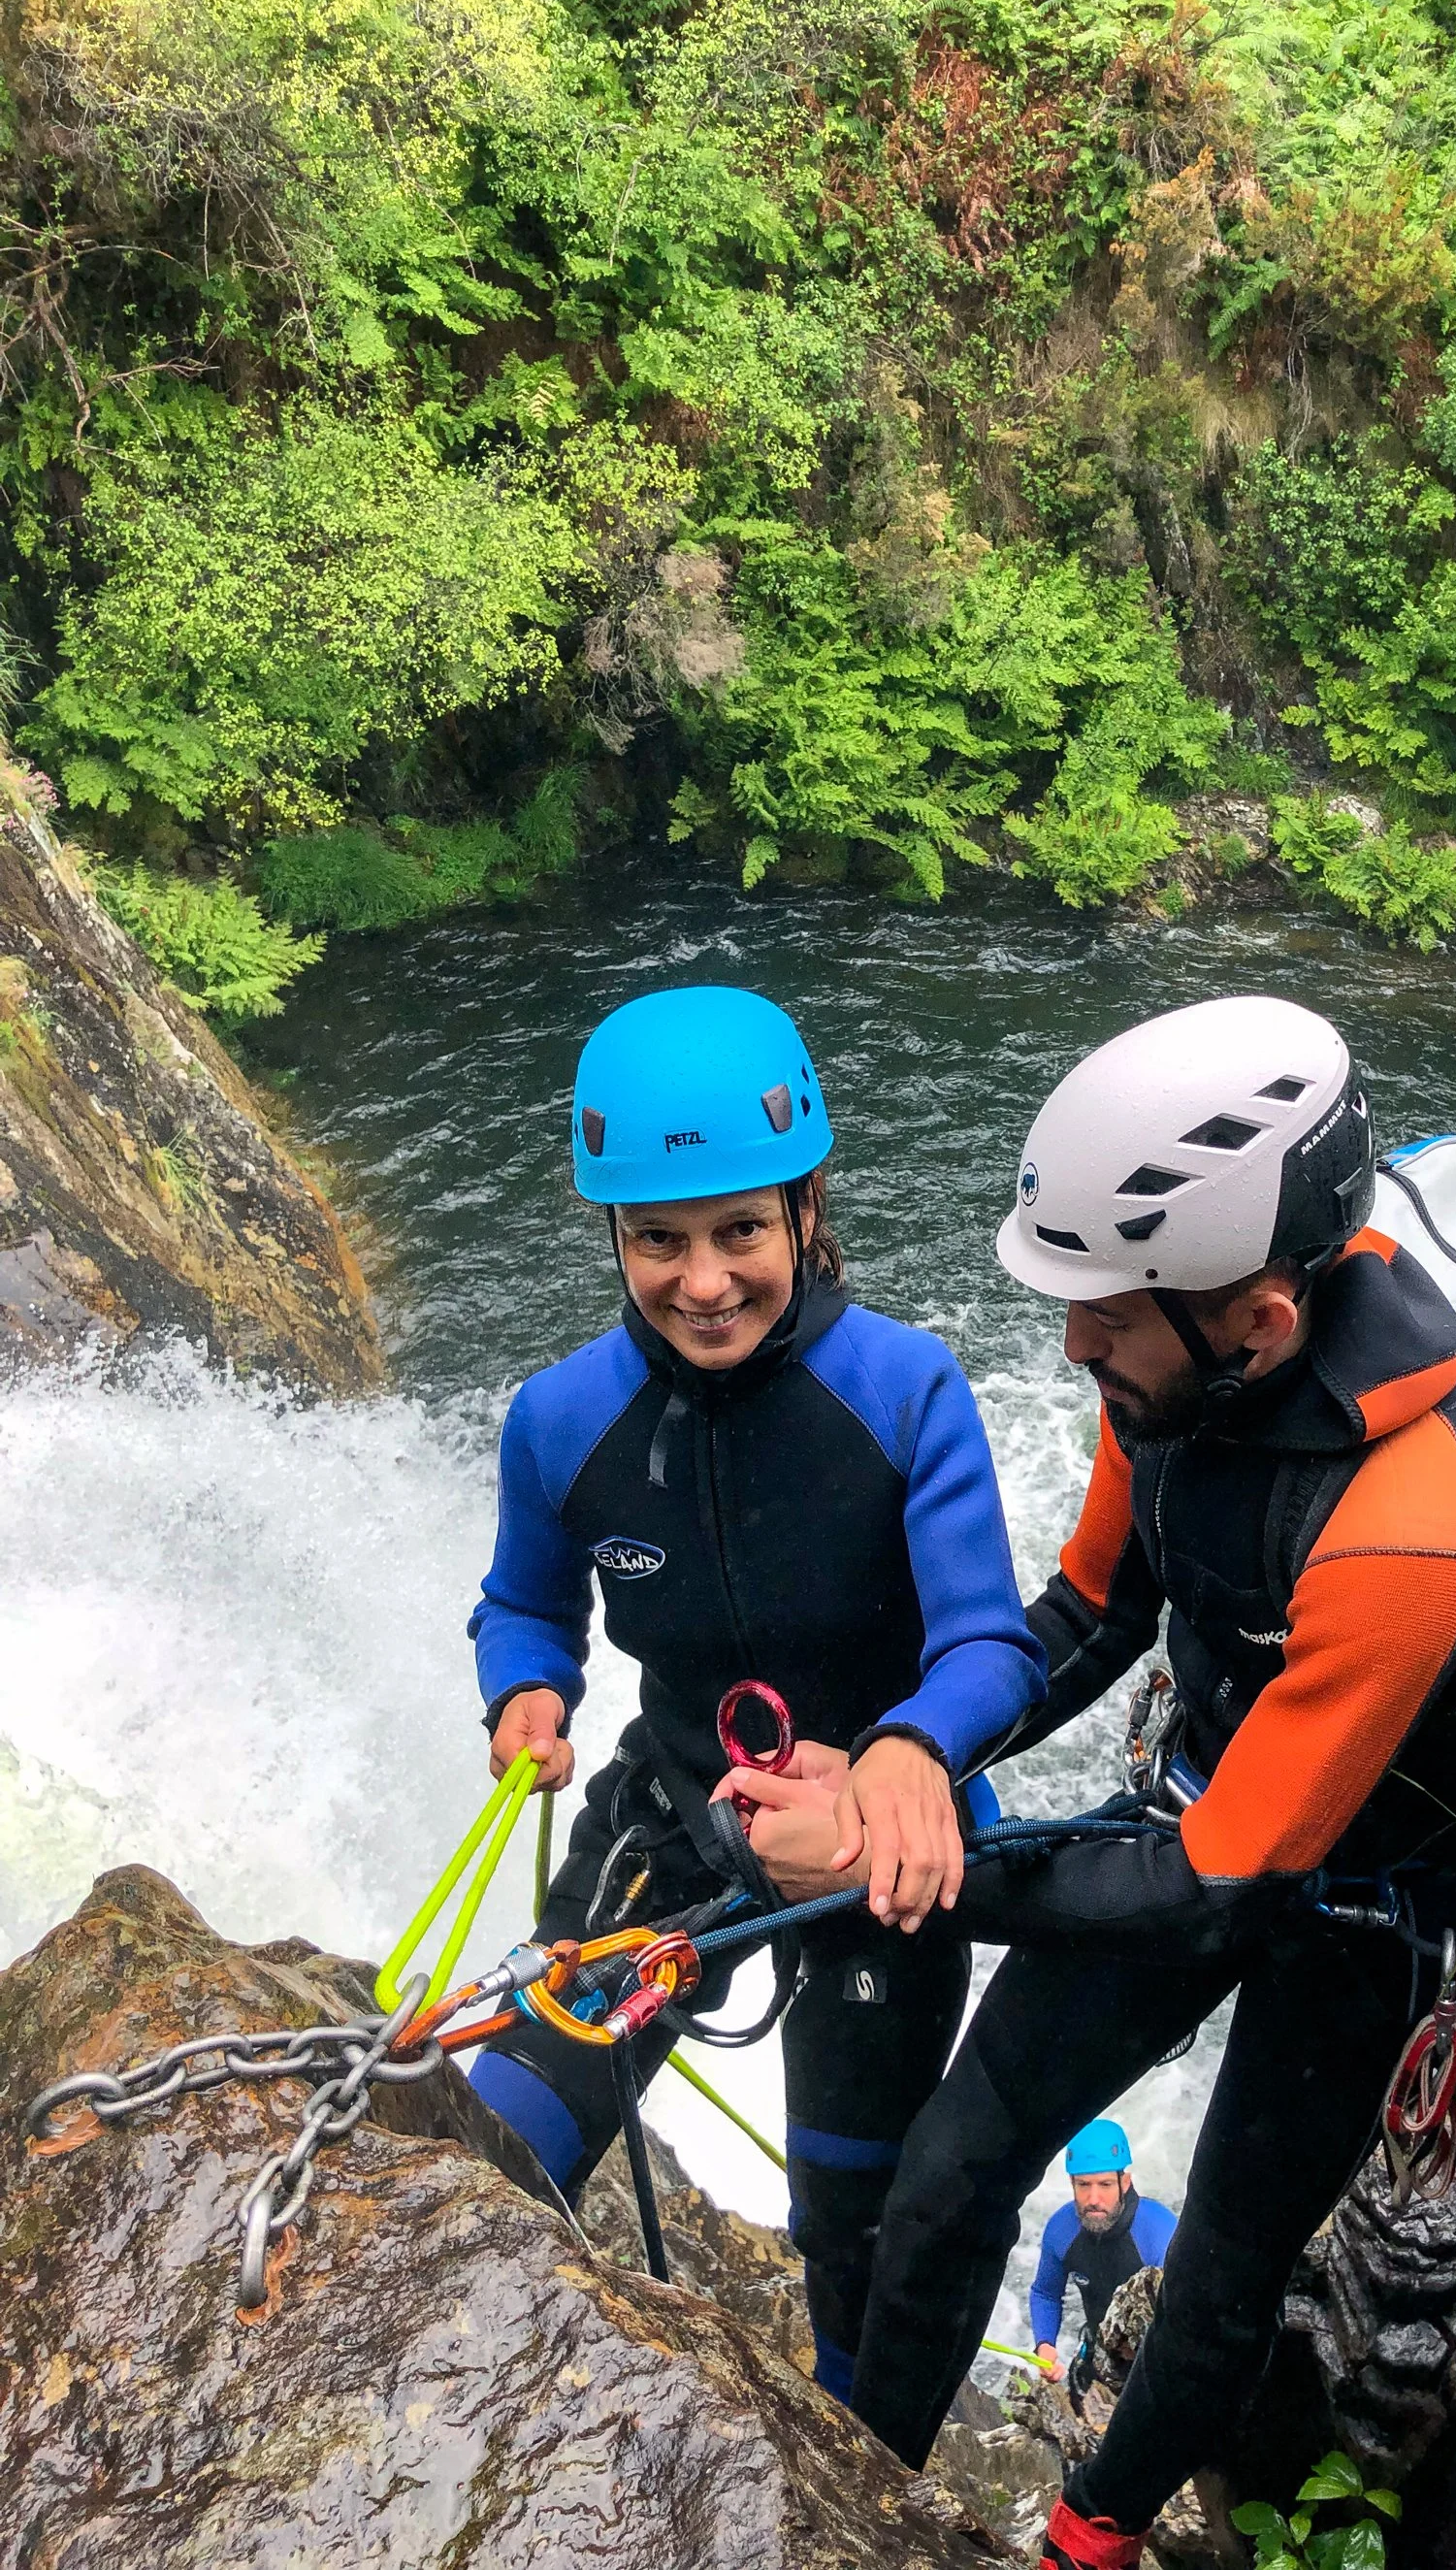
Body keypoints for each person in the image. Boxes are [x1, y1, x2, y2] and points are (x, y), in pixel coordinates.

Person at [828, 994, 1456, 2565]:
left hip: (1362, 1910)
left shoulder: (1419, 1510)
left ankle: (1087, 2536)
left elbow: (1221, 1879)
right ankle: (846, 2495)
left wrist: (926, 1868)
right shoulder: (1164, 1376)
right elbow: (1094, 1609)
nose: (1073, 1340)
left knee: (1229, 2263)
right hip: (1217, 1804)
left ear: (1261, 1317)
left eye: (1105, 1310)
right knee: (958, 2158)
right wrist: (909, 1747)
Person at [463, 982, 1046, 2404]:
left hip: (870, 1846)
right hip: (671, 1812)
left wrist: (908, 1751)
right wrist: (525, 1689)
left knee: (851, 2219)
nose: (703, 1278)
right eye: (659, 1238)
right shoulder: (559, 1419)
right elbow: (529, 1601)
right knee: (502, 2137)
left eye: (740, 1230)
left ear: (803, 1208)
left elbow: (991, 1646)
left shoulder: (905, 1392)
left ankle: (846, 2485)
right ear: (611, 1233)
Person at [1029, 2120, 1177, 2385]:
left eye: (1105, 2185)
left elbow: (1185, 2314)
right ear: (1071, 2184)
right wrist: (1045, 2344)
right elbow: (1045, 2293)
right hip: (1101, 2351)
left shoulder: (1157, 2232)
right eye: (1083, 2185)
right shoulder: (1061, 2230)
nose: (1093, 2199)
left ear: (1126, 2182)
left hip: (1160, 2359)